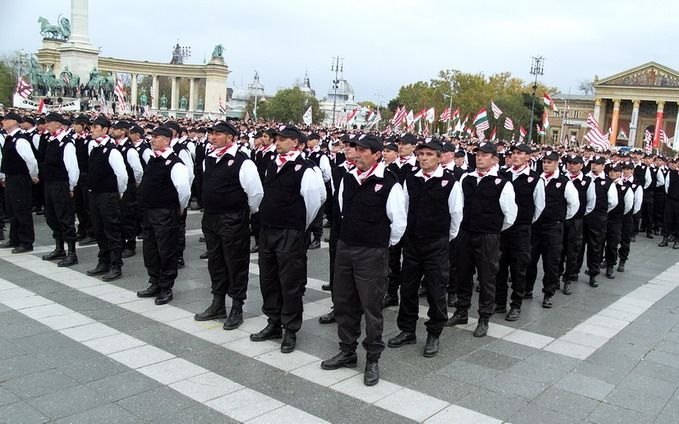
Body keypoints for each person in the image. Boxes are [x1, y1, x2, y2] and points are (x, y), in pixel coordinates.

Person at [321, 134, 406, 386]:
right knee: (345, 302)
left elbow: (398, 224)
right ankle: (347, 350)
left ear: (377, 154)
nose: (356, 154)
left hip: (372, 252)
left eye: (362, 150)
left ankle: (372, 358)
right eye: (354, 149)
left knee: (371, 308)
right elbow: (343, 211)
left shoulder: (390, 183)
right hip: (347, 247)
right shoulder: (348, 178)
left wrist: (378, 244)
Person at [250, 125, 323, 353]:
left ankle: (290, 328)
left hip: (290, 232)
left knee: (290, 282)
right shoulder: (274, 163)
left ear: (296, 143)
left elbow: (315, 200)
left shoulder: (306, 169)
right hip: (269, 229)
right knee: (268, 279)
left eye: (283, 139)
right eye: (277, 138)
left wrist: (299, 226)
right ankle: (273, 322)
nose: (278, 142)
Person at [388, 140, 462, 357]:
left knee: (436, 290)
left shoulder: (450, 182)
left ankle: (434, 332)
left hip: (436, 244)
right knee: (408, 287)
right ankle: (407, 330)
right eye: (421, 154)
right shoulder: (411, 180)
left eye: (429, 154)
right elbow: (404, 209)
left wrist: (442, 239)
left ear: (439, 157)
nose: (424, 158)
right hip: (412, 243)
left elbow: (456, 215)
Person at [194, 121, 263, 329]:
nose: (212, 137)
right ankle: (218, 302)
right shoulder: (209, 159)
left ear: (231, 137)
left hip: (233, 218)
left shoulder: (243, 162)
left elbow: (256, 195)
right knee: (216, 261)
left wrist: (243, 213)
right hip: (212, 218)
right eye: (211, 134)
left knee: (235, 263)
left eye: (218, 134)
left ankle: (236, 306)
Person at [446, 142, 517, 337]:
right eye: (478, 154)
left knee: (487, 277)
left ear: (495, 159)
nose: (479, 158)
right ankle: (461, 311)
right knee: (462, 273)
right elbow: (458, 207)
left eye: (485, 155)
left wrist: (491, 229)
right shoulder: (466, 179)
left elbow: (510, 216)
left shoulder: (503, 183)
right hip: (465, 233)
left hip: (488, 236)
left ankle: (484, 317)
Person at [136, 126, 191, 305]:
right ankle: (155, 281)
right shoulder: (153, 159)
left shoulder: (175, 163)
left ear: (167, 140)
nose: (153, 140)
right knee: (150, 249)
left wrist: (180, 208)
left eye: (157, 137)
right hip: (149, 211)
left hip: (165, 213)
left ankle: (166, 287)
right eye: (152, 136)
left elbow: (183, 190)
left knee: (166, 250)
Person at [495, 143, 544, 321]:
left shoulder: (535, 179)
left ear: (528, 157)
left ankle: (516, 304)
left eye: (520, 153)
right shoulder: (503, 175)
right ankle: (499, 302)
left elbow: (539, 207)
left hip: (521, 229)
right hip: (502, 228)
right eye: (513, 153)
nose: (515, 156)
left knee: (519, 268)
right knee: (499, 266)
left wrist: (525, 221)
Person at [525, 151, 579, 308]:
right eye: (544, 162)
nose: (546, 165)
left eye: (550, 162)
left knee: (551, 262)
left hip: (553, 226)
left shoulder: (564, 182)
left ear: (557, 163)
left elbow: (573, 205)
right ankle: (527, 289)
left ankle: (548, 293)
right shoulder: (537, 179)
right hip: (536, 226)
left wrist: (560, 218)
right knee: (530, 260)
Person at [85, 116, 128, 281]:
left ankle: (116, 265)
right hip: (95, 194)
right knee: (98, 229)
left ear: (105, 130)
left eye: (95, 127)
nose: (92, 129)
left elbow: (122, 176)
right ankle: (103, 261)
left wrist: (118, 194)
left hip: (108, 195)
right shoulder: (94, 147)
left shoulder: (112, 150)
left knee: (112, 230)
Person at [383, 133, 418, 308]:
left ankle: (408, 293)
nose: (401, 147)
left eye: (405, 144)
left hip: (413, 221)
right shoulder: (390, 167)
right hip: (395, 219)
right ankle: (391, 292)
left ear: (413, 147)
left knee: (411, 260)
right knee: (392, 258)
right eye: (400, 144)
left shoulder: (418, 167)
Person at [40, 113, 80, 267]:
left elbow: (72, 167)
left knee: (65, 217)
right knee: (51, 217)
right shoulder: (51, 140)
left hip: (61, 184)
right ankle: (59, 247)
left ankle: (71, 252)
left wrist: (71, 186)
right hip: (49, 183)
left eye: (49, 123)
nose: (47, 125)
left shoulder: (66, 143)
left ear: (58, 124)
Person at [0, 111, 38, 253]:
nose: (3, 122)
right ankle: (14, 238)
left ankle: (26, 241)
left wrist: (32, 175)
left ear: (13, 122)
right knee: (12, 210)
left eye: (5, 120)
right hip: (11, 178)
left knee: (22, 210)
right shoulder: (9, 138)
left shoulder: (20, 140)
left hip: (20, 178)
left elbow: (31, 161)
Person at [579, 155, 617, 288]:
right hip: (582, 217)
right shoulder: (583, 178)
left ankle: (593, 274)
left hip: (598, 219)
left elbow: (613, 202)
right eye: (592, 163)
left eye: (597, 164)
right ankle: (573, 272)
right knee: (577, 246)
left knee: (595, 248)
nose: (594, 165)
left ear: (603, 166)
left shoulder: (607, 183)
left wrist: (601, 212)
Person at [559, 155, 592, 295]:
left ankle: (569, 278)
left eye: (575, 163)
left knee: (572, 250)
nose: (571, 166)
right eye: (570, 163)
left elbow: (591, 203)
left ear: (581, 165)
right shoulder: (561, 178)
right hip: (561, 219)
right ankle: (556, 276)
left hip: (576, 220)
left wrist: (578, 215)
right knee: (557, 250)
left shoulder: (587, 181)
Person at [111, 121, 144, 258]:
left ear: (123, 131)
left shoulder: (129, 149)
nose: (112, 131)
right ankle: (122, 242)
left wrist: (135, 183)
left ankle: (130, 244)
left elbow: (138, 170)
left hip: (129, 186)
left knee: (127, 215)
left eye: (115, 129)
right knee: (118, 215)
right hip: (117, 185)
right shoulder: (115, 147)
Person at [660, 158, 679, 248]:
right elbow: (667, 186)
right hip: (670, 199)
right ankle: (665, 238)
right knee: (667, 219)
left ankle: (677, 240)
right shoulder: (671, 173)